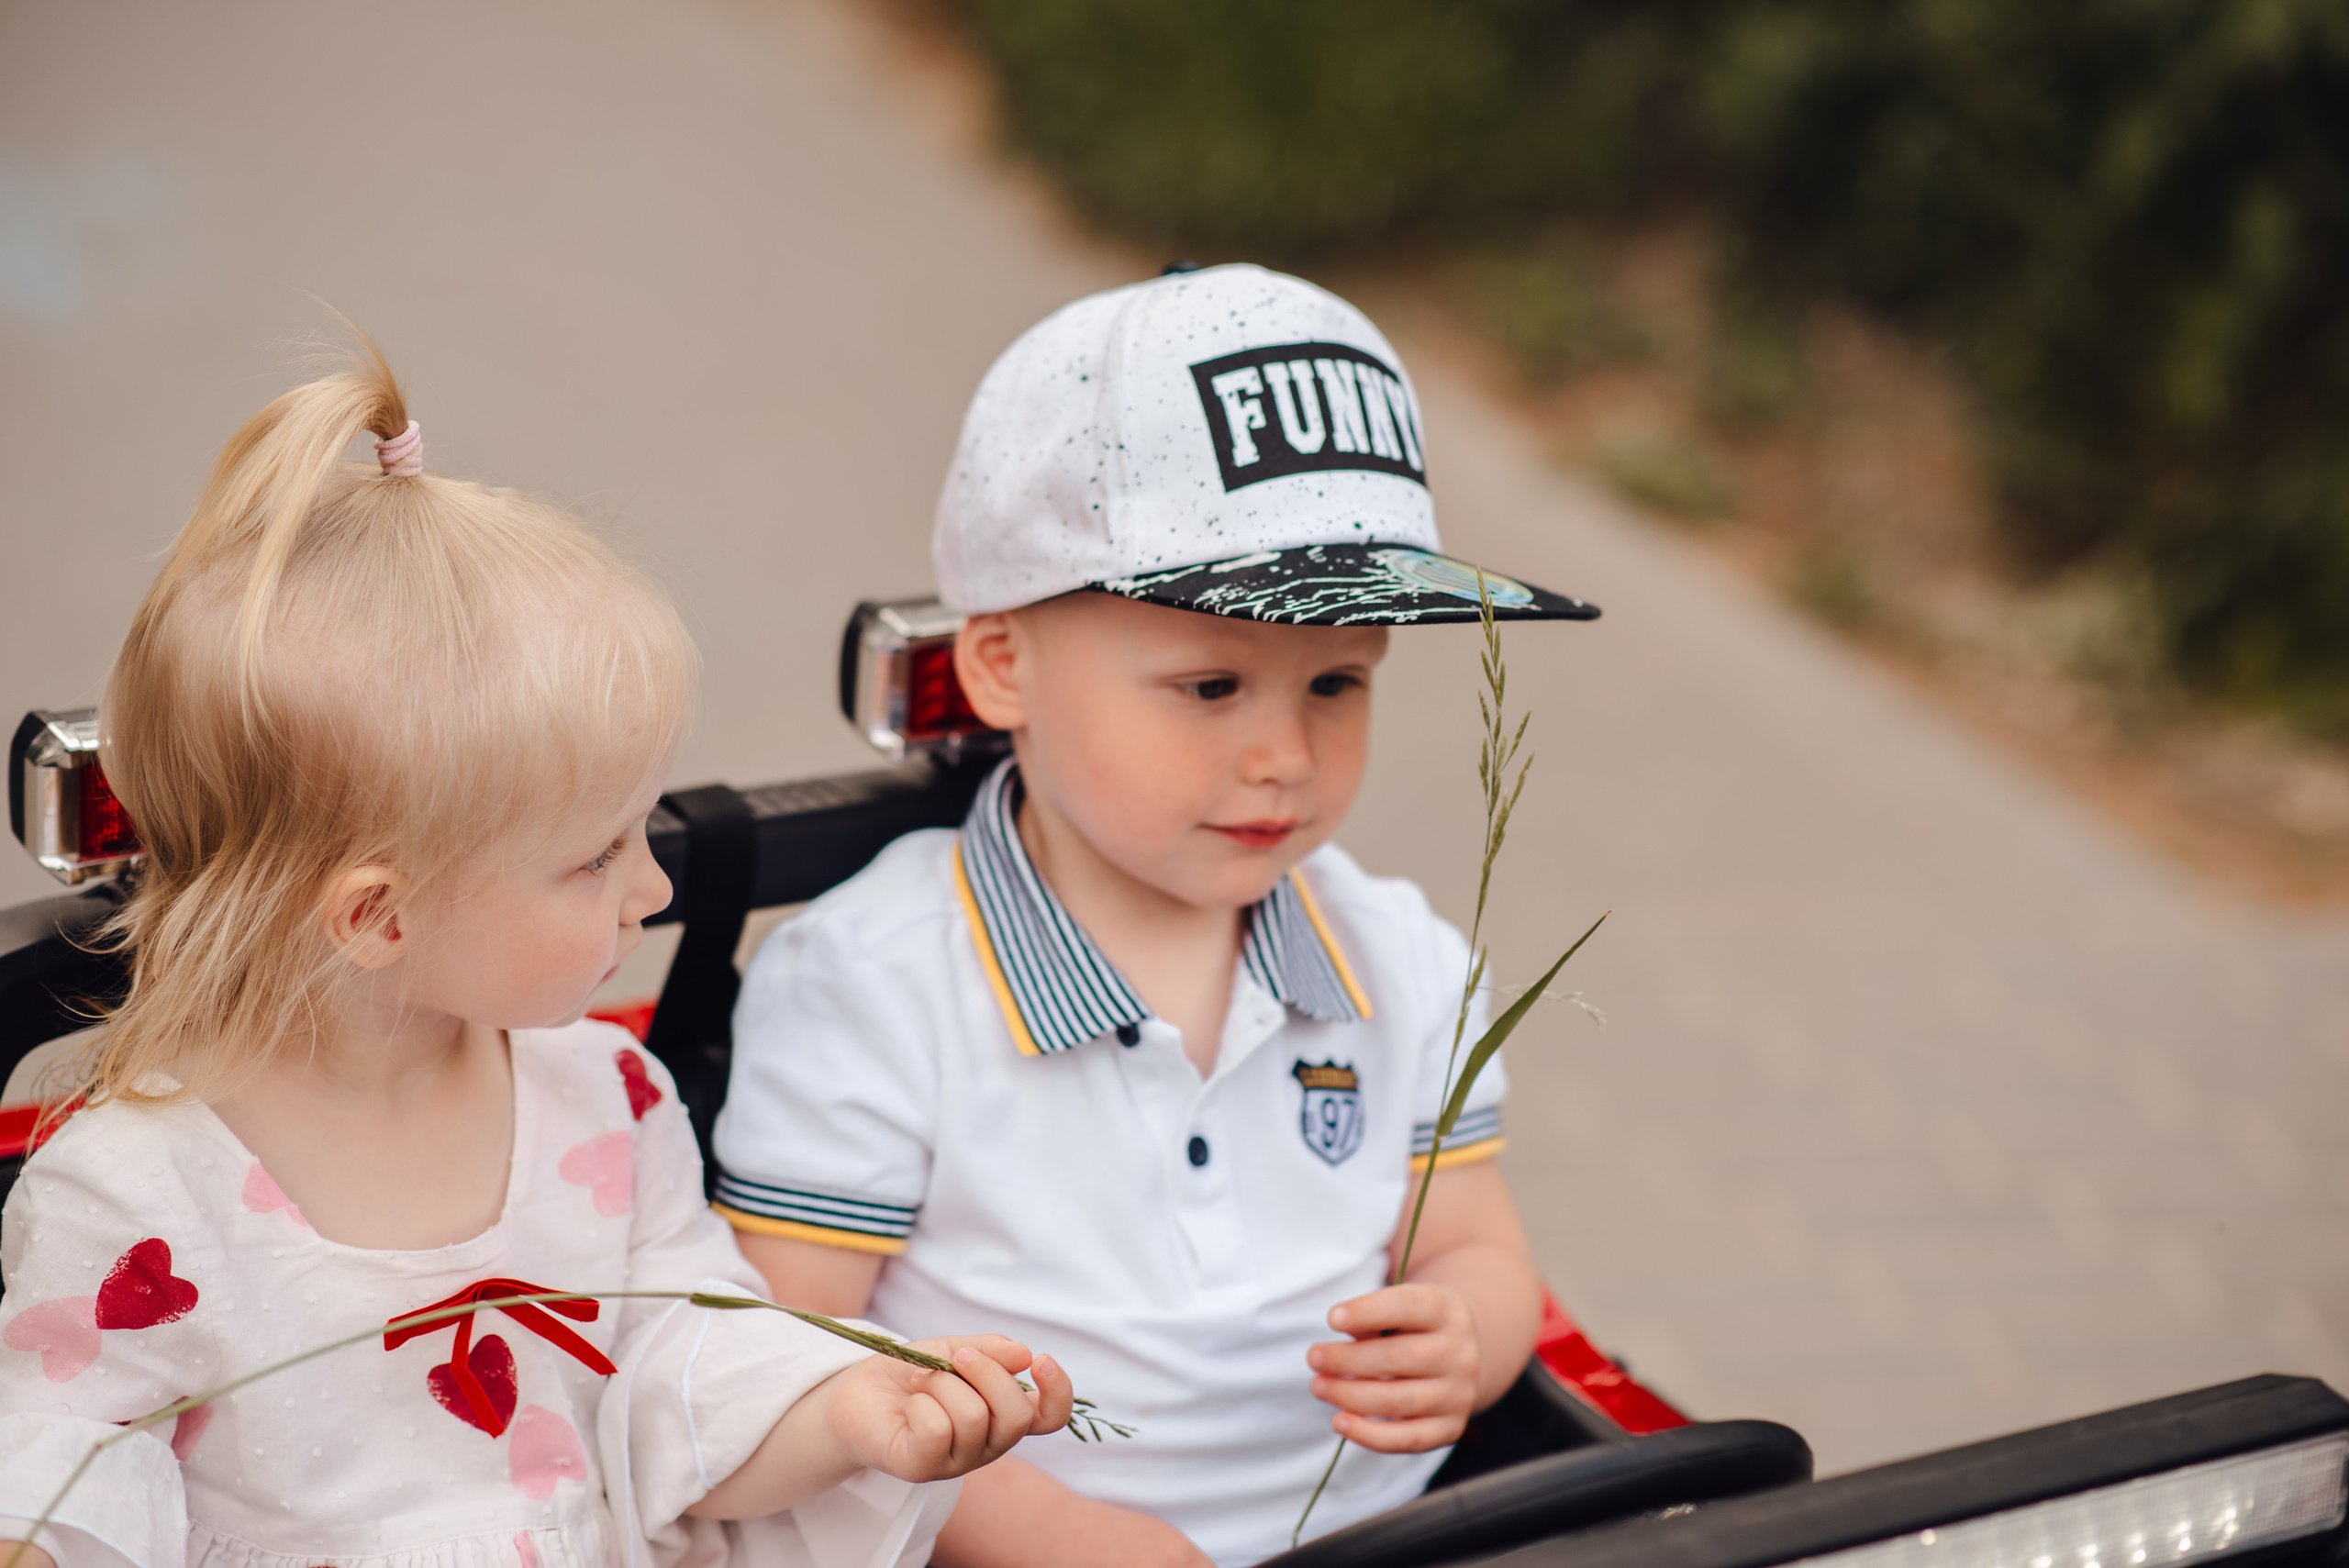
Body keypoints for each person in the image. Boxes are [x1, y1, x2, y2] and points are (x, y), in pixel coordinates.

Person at [0, 343, 1070, 1568]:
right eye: (595, 855)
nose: (655, 887)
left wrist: (846, 1408)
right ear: (376, 917)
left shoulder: (600, 1100)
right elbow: (69, 1494)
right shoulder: (136, 1201)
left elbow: (683, 1372)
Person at [711, 264, 1603, 1566]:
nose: (1286, 755)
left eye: (1339, 683)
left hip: (1385, 1537)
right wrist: (1057, 1535)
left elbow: (1474, 1237)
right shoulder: (874, 983)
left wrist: (1468, 1336)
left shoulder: (1396, 957)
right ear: (1003, 661)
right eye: (1211, 683)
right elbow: (794, 1360)